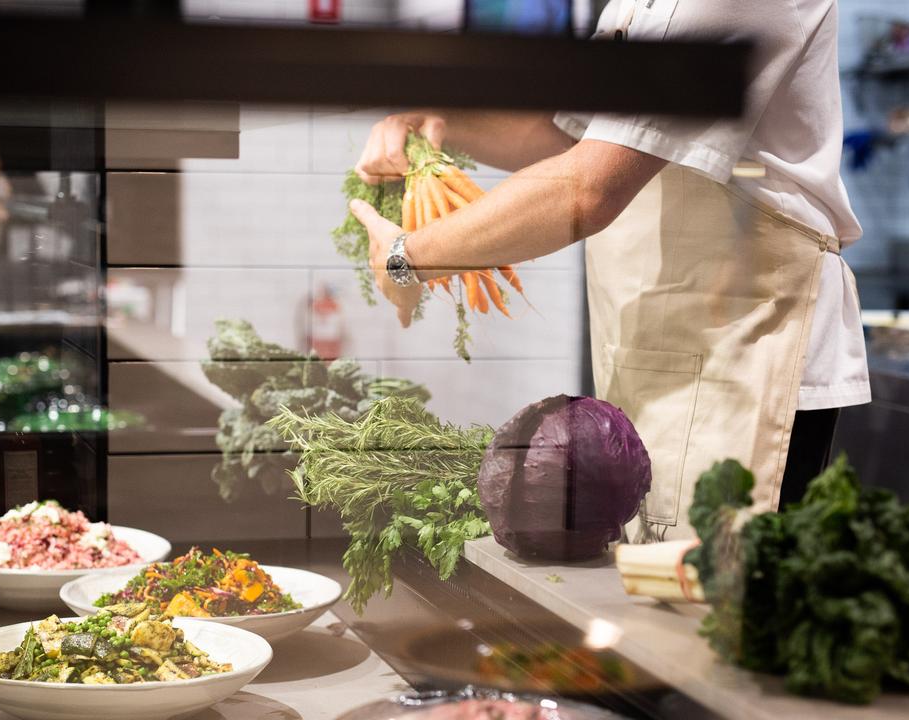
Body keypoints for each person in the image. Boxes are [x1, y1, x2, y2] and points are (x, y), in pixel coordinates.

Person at [349, 0, 869, 542]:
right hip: (668, 359)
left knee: (722, 603)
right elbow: (576, 139)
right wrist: (431, 120)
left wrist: (409, 258)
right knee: (657, 592)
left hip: (751, 361)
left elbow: (592, 184)